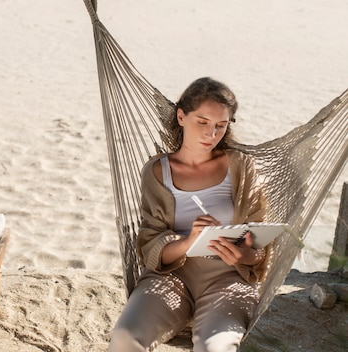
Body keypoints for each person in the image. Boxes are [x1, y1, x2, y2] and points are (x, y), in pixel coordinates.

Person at [108, 77, 271, 352]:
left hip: (228, 279)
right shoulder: (158, 172)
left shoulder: (241, 167)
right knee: (125, 339)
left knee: (214, 349)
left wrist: (244, 255)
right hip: (170, 277)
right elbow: (149, 243)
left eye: (221, 125)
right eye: (203, 122)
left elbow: (261, 245)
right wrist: (188, 241)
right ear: (181, 116)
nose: (211, 134)